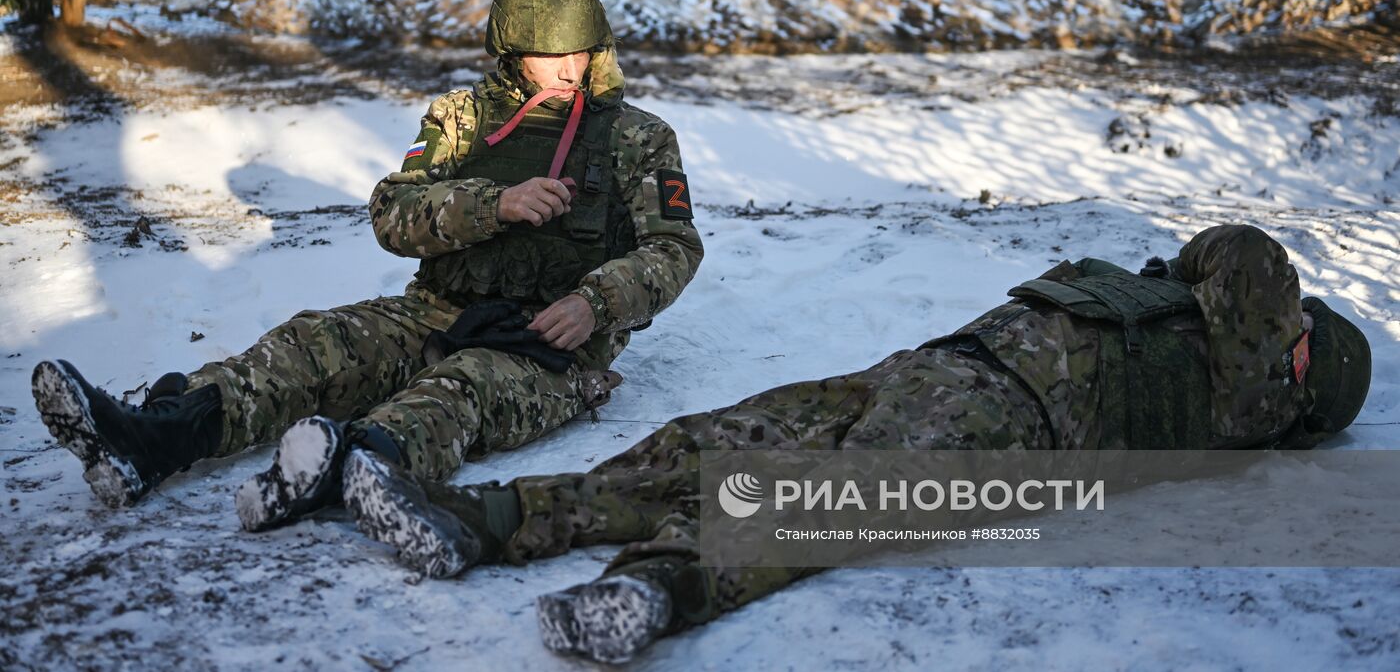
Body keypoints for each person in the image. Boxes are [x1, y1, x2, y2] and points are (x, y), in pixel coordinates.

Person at [339, 224, 1371, 663]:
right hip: (939, 370)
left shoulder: (1251, 386)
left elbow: (1234, 252)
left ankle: (653, 589)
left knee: (808, 498)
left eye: (1299, 333)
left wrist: (1234, 303)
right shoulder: (1218, 349)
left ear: (1300, 365)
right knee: (707, 439)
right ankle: (488, 518)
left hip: (1000, 428)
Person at [31, 0, 705, 532]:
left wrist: (594, 302)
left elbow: (673, 247)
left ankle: (342, 468)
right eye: (546, 53)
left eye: (578, 52)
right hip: (436, 310)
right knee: (309, 346)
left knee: (458, 390)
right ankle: (154, 437)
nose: (565, 68)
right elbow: (393, 213)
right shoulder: (459, 118)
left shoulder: (636, 139)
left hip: (548, 346)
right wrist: (493, 204)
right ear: (509, 51)